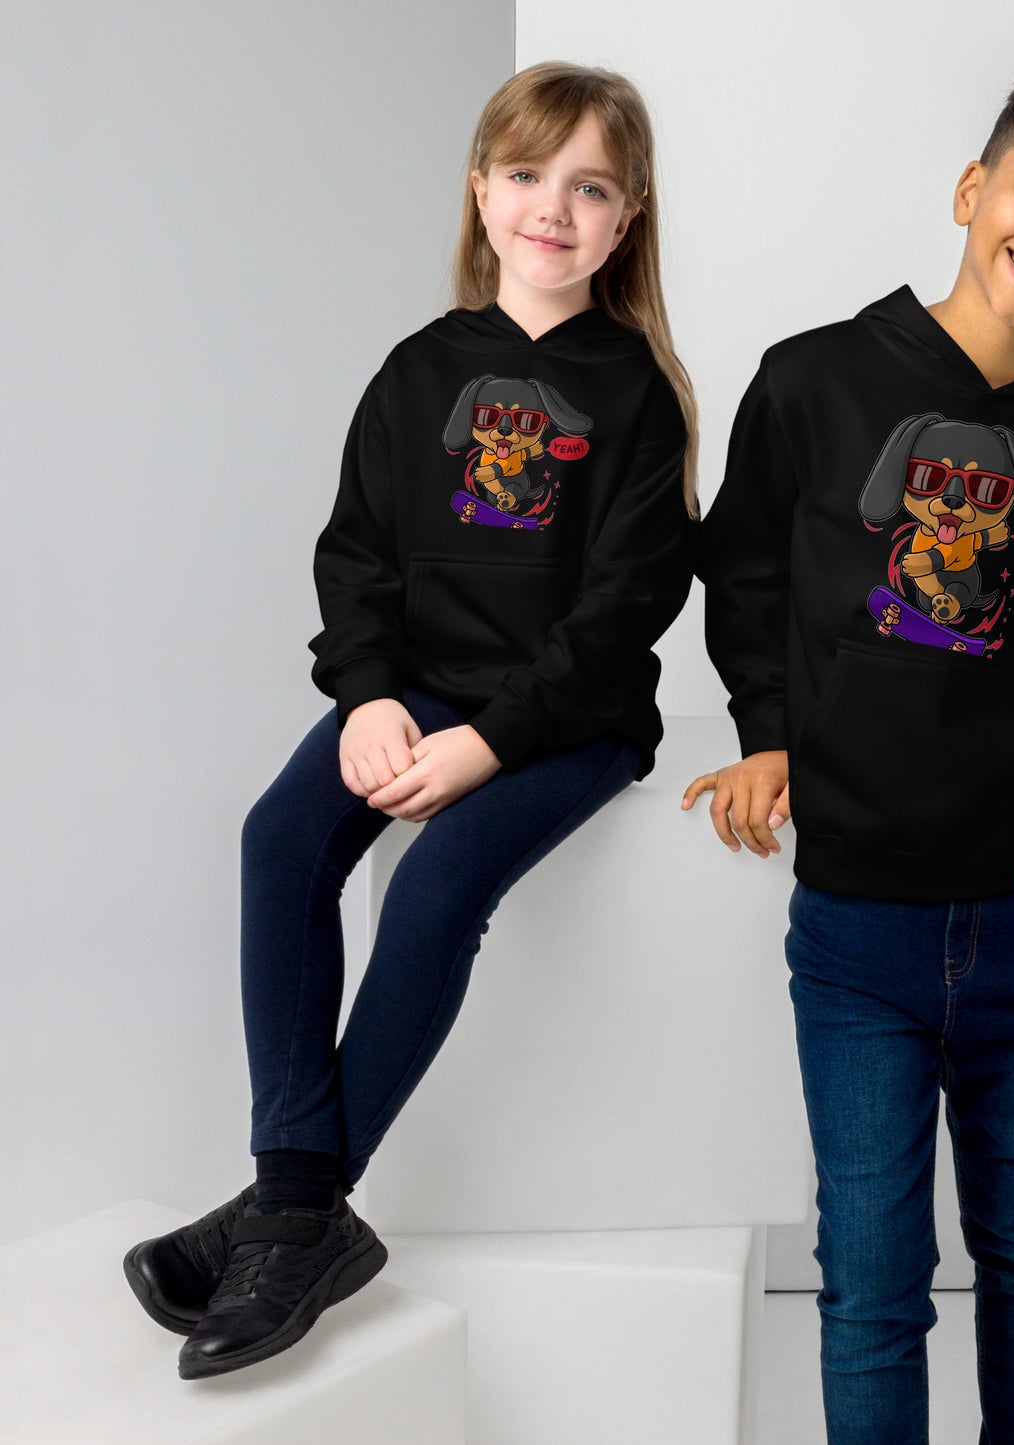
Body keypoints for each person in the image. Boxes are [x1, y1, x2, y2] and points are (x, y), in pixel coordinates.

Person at [123, 60, 697, 1381]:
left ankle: (287, 1214)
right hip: (419, 684)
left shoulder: (638, 392)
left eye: (590, 187)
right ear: (481, 190)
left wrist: (493, 740)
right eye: (527, 174)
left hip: (572, 714)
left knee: (437, 883)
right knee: (281, 837)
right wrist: (372, 692)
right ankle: (298, 1202)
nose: (552, 207)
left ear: (627, 217)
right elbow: (356, 554)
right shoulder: (418, 369)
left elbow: (626, 607)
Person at [684, 66, 1014, 1444]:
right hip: (856, 925)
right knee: (872, 1275)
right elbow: (742, 575)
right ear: (973, 193)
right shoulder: (813, 380)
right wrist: (765, 734)